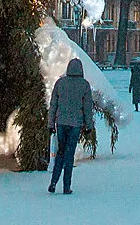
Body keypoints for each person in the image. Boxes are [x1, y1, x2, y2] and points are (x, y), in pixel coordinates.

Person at [47, 58, 93, 194]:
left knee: (60, 152)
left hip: (61, 122)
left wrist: (51, 123)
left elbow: (53, 105)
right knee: (69, 154)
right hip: (75, 124)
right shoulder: (84, 85)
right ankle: (66, 186)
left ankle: (53, 182)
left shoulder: (60, 83)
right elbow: (87, 108)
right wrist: (88, 125)